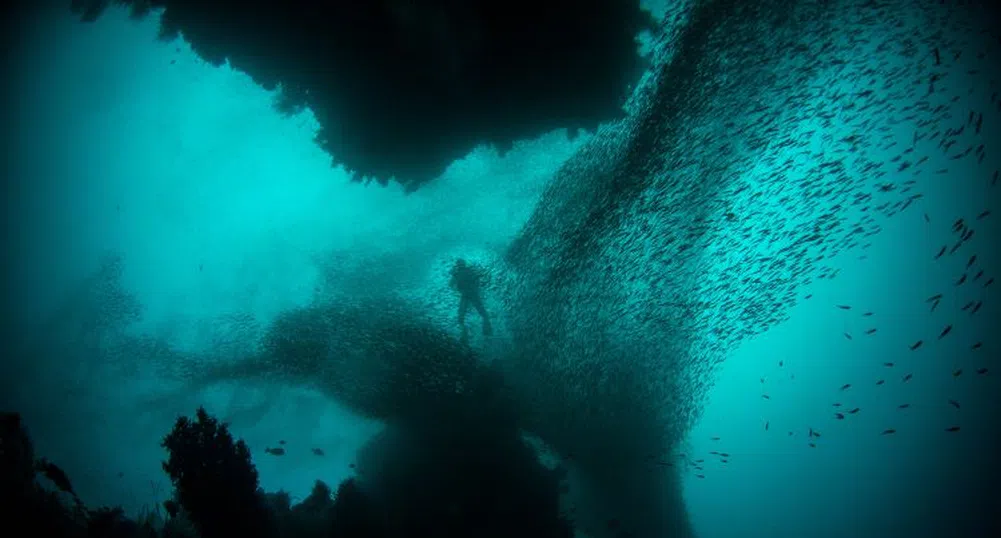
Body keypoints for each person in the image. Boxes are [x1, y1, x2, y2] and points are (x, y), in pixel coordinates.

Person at [449, 258, 492, 337]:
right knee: (481, 311)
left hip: (467, 295)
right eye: (460, 264)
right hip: (472, 294)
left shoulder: (457, 273)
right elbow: (480, 278)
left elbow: (451, 285)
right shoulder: (468, 271)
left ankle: (463, 331)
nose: (460, 265)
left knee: (462, 314)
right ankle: (486, 329)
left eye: (460, 264)